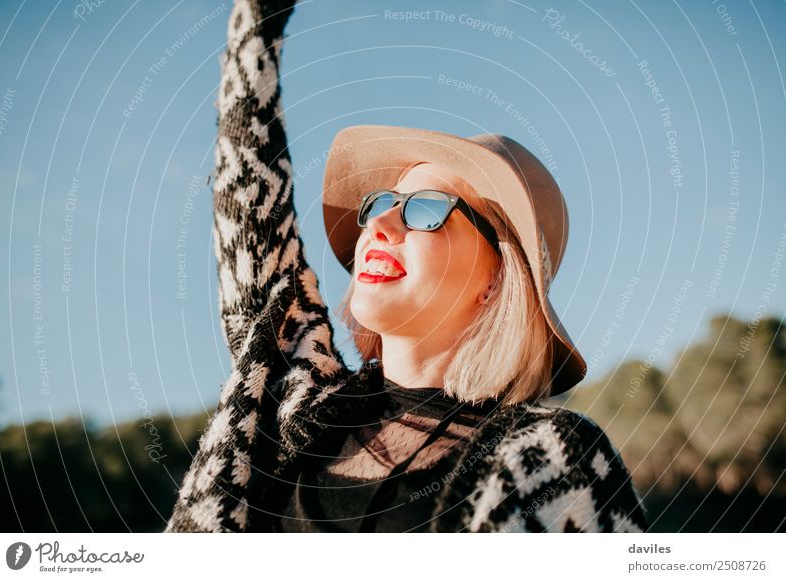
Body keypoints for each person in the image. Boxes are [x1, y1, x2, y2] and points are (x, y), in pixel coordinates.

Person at [164, 0, 648, 533]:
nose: (382, 225)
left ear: (495, 279)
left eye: (425, 209)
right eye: (380, 203)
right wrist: (256, 22)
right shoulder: (288, 403)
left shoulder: (555, 459)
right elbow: (249, 217)